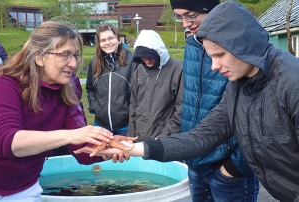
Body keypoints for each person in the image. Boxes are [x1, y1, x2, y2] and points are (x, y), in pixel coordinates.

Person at [80, 1, 299, 202]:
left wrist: (231, 169)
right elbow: (203, 136)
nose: (214, 66)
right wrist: (132, 148)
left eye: (220, 54)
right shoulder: (236, 86)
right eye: (211, 56)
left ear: (243, 44)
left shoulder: (292, 84)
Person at [0, 21, 115, 201]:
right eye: (65, 55)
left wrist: (113, 148)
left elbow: (81, 150)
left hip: (26, 189)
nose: (73, 63)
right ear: (39, 57)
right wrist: (71, 135)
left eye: (75, 55)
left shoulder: (69, 85)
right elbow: (8, 141)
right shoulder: (4, 84)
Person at [170, 0, 259, 201]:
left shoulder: (242, 48)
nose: (185, 23)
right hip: (196, 161)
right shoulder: (191, 44)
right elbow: (191, 102)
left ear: (211, 9)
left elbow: (257, 117)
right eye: (180, 17)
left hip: (228, 169)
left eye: (190, 15)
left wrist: (234, 166)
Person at [127, 30, 183, 141]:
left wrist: (163, 137)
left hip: (165, 140)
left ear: (158, 52)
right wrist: (130, 137)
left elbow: (181, 109)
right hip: (139, 138)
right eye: (143, 57)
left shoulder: (177, 69)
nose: (147, 60)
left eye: (150, 56)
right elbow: (134, 105)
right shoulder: (139, 70)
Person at [86, 23, 137, 136]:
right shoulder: (94, 62)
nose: (107, 43)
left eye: (111, 38)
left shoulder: (133, 60)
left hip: (126, 126)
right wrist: (95, 108)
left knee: (126, 154)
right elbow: (90, 89)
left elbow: (141, 92)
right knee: (100, 154)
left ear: (119, 39)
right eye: (103, 40)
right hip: (100, 125)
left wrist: (131, 112)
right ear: (99, 43)